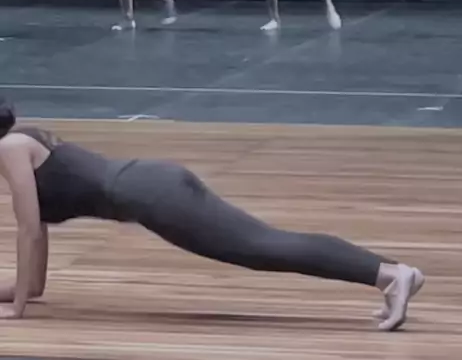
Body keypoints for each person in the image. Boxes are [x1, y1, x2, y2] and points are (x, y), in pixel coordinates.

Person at [0, 101, 424, 328]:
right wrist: (21, 294)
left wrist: (17, 312)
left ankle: (390, 274)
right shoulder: (24, 141)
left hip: (154, 195)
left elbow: (29, 230)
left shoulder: (11, 148)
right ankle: (390, 274)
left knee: (263, 247)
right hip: (153, 185)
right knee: (264, 244)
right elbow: (33, 281)